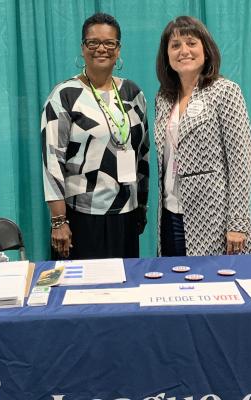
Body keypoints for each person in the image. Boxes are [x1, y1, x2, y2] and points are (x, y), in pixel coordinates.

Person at [41, 12, 149, 260]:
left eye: (109, 43)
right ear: (83, 48)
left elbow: (142, 153)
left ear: (118, 49)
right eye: (93, 42)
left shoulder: (133, 93)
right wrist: (58, 222)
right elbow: (52, 162)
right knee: (84, 292)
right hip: (81, 217)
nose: (102, 48)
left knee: (126, 288)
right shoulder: (65, 96)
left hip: (127, 214)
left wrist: (142, 204)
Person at [153, 16, 251, 256]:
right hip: (170, 214)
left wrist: (237, 223)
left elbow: (241, 161)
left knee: (212, 287)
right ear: (166, 54)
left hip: (215, 218)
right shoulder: (164, 98)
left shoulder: (225, 91)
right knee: (174, 286)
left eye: (191, 43)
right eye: (175, 45)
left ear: (206, 50)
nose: (183, 51)